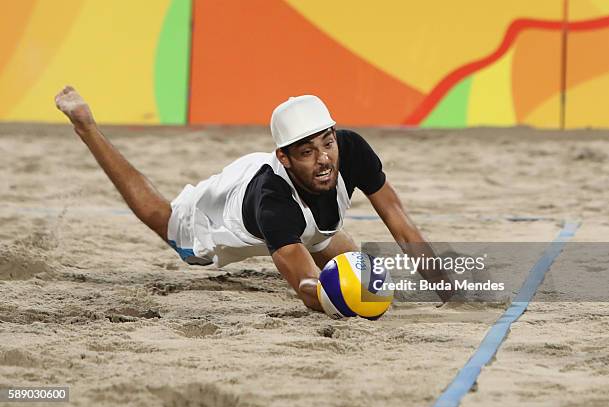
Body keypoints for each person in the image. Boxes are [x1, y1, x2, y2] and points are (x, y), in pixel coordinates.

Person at [54, 86, 454, 312]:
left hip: (295, 204)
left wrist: (446, 285)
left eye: (327, 143)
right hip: (224, 213)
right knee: (166, 221)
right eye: (307, 151)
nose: (324, 159)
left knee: (347, 254)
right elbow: (306, 286)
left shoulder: (350, 151)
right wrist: (350, 301)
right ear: (285, 156)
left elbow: (402, 224)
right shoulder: (273, 204)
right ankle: (87, 127)